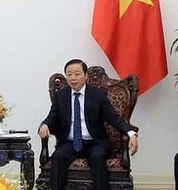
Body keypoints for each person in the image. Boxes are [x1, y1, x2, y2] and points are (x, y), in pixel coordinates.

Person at [38, 59, 139, 190]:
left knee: (97, 157)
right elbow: (52, 117)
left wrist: (131, 133)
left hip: (94, 142)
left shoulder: (98, 95)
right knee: (58, 156)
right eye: (69, 74)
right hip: (70, 143)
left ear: (85, 76)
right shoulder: (61, 95)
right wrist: (44, 125)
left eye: (77, 74)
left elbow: (115, 119)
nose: (73, 78)